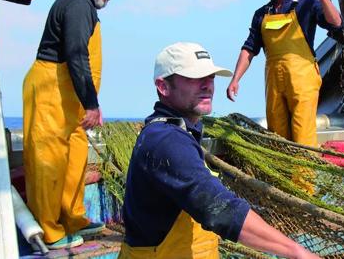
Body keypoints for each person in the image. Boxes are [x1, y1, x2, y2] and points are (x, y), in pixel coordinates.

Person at [119, 42, 320, 259]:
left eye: (211, 77)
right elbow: (219, 208)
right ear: (163, 86)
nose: (207, 85)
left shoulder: (178, 132)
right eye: (194, 77)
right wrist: (297, 252)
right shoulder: (167, 141)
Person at [22, 0, 118, 250]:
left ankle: (73, 216)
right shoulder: (77, 3)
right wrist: (91, 103)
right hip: (51, 89)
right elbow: (76, 55)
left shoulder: (85, 6)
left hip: (70, 97)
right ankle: (50, 231)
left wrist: (87, 104)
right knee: (49, 161)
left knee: (75, 155)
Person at [226, 0, 342, 148]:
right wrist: (235, 79)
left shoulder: (307, 3)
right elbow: (249, 49)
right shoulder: (262, 13)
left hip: (302, 79)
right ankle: (282, 178)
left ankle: (305, 179)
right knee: (277, 137)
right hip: (274, 82)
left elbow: (335, 22)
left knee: (303, 135)